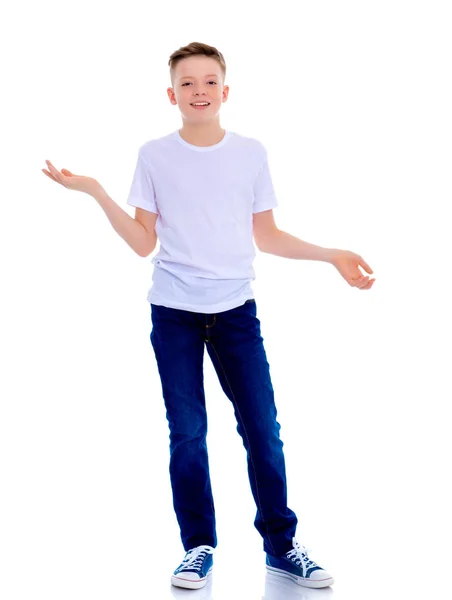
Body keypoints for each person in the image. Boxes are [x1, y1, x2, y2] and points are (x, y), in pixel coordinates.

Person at [42, 41, 375, 591]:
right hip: (174, 313)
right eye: (188, 83)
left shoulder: (250, 153)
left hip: (236, 314)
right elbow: (141, 244)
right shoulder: (154, 154)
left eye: (210, 81)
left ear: (226, 90)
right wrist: (97, 191)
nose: (200, 90)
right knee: (188, 434)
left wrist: (332, 254)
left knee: (263, 432)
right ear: (172, 94)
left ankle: (282, 545)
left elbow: (266, 236)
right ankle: (198, 547)